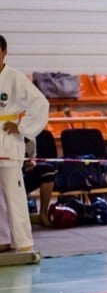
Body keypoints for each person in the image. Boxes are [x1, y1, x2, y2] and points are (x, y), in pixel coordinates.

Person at [0, 34, 49, 254]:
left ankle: (23, 241)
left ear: (4, 52)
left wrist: (21, 127)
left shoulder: (15, 77)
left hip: (9, 141)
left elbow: (40, 103)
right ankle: (3, 239)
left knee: (14, 193)